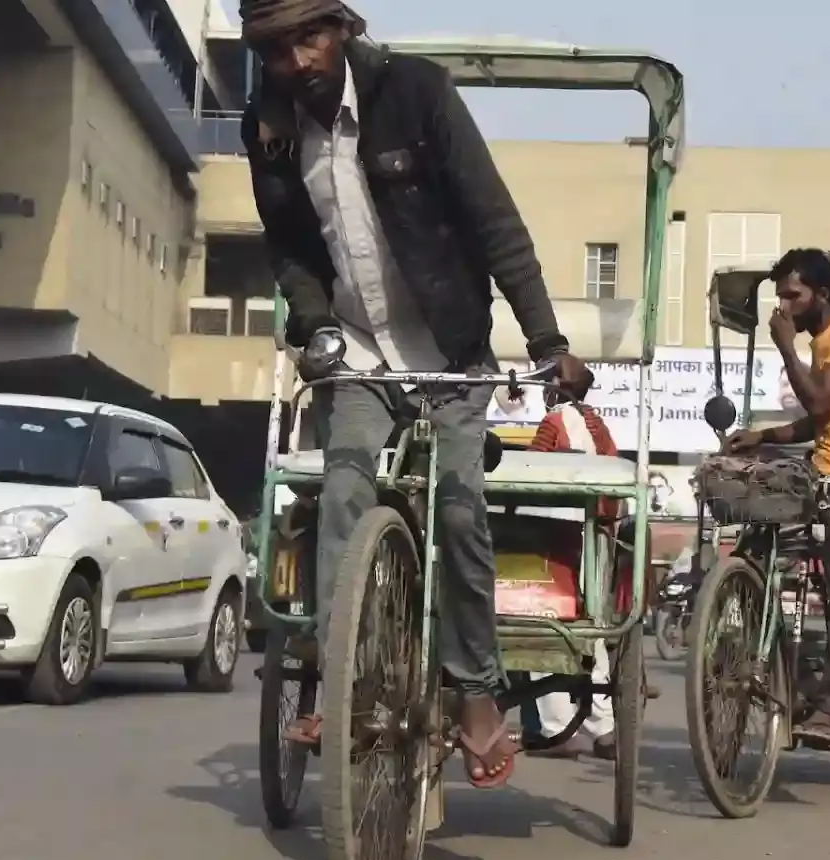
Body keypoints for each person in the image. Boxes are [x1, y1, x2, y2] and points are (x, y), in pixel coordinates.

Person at [238, 0, 589, 789]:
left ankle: (475, 694)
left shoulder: (419, 94)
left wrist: (547, 344)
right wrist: (316, 324)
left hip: (452, 351)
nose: (301, 61)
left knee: (460, 509)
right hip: (360, 354)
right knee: (342, 496)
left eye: (311, 37)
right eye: (279, 50)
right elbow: (289, 245)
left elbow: (495, 222)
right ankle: (348, 682)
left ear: (343, 29)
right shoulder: (270, 129)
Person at [726, 248, 830, 750]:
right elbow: (819, 420)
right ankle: (781, 673)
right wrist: (766, 436)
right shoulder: (821, 343)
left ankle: (828, 708)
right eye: (780, 295)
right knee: (755, 553)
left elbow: (819, 402)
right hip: (819, 468)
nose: (784, 305)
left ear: (821, 294)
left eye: (792, 295)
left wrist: (783, 347)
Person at [522, 368, 620, 758]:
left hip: (558, 537)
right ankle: (603, 725)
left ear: (557, 388)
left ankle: (556, 728)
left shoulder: (555, 421)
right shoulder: (598, 425)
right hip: (596, 536)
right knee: (590, 628)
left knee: (539, 619)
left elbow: (531, 472)